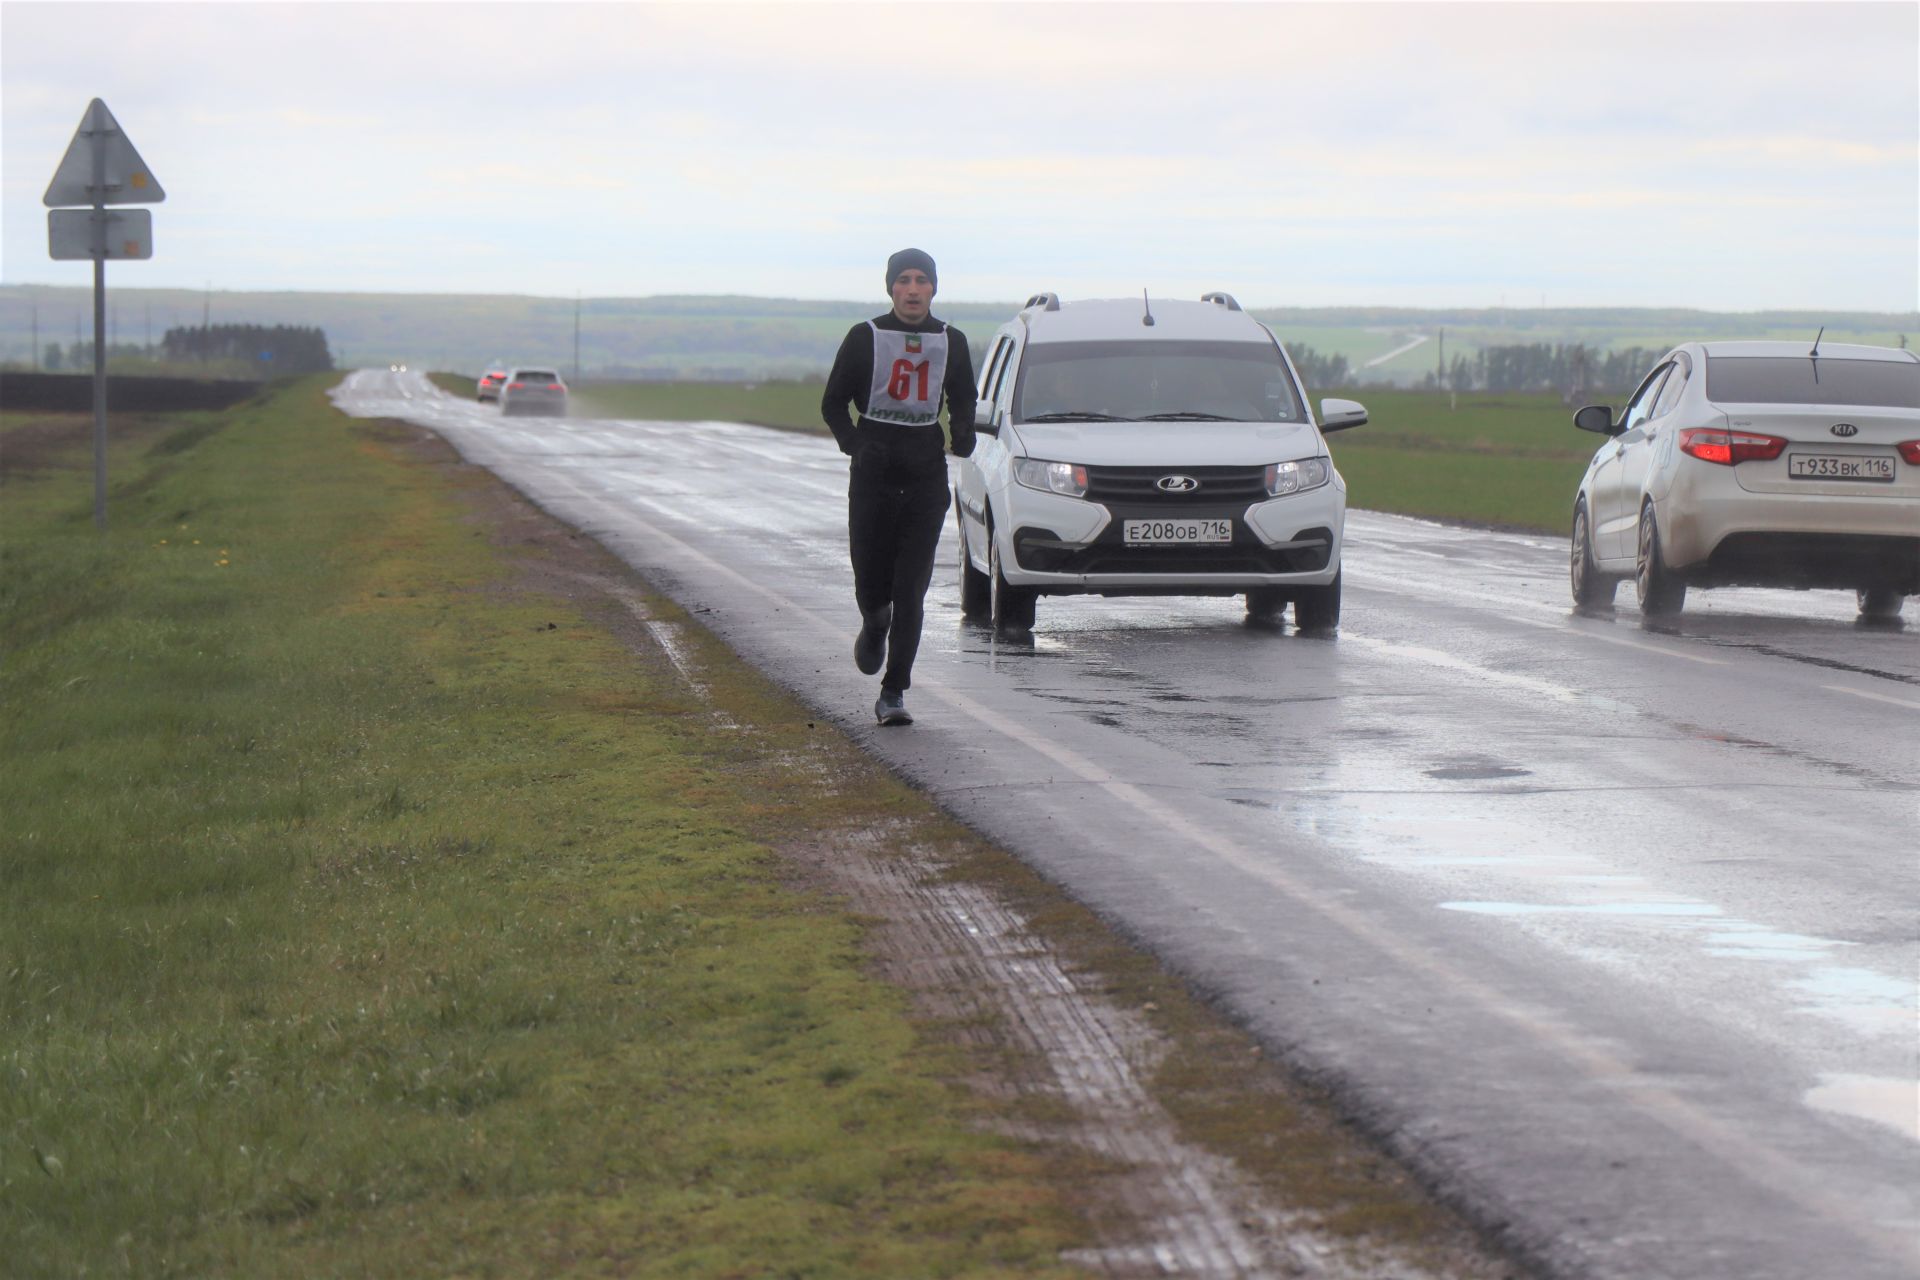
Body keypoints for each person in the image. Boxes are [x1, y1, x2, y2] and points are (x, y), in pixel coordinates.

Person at [821, 248, 977, 726]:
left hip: (925, 476)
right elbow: (833, 403)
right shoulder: (864, 337)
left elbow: (964, 396)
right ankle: (873, 619)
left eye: (922, 281)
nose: (913, 289)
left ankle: (894, 692)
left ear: (934, 288)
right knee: (871, 578)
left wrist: (963, 431)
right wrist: (854, 443)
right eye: (904, 280)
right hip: (873, 475)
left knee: (911, 589)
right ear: (891, 288)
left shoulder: (952, 340)